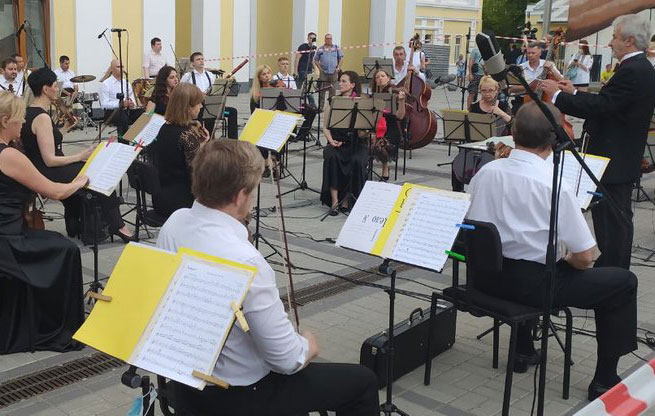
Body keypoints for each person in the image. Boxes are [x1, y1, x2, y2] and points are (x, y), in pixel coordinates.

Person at [157, 139, 379, 415]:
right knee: (363, 382)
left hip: (185, 384)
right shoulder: (246, 260)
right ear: (240, 196)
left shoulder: (175, 222)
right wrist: (307, 346)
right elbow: (286, 360)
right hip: (237, 394)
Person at [467, 101, 638, 401]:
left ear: (513, 132)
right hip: (532, 287)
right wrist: (568, 257)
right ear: (554, 139)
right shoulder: (554, 184)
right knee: (623, 282)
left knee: (534, 254)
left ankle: (523, 351)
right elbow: (586, 258)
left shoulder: (487, 172)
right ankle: (604, 378)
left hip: (486, 278)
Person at [542, 13, 655, 270]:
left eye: (614, 37)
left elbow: (605, 107)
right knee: (610, 221)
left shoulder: (635, 69)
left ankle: (614, 276)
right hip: (616, 159)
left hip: (615, 161)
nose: (611, 42)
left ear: (628, 41)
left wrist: (559, 95)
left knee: (614, 223)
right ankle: (611, 270)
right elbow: (612, 100)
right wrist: (574, 91)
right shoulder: (635, 67)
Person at [0, 91, 88, 353]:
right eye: (19, 119)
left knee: (53, 241)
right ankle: (56, 326)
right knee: (67, 250)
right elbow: (56, 192)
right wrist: (82, 181)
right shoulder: (8, 156)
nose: (24, 124)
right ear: (5, 120)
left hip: (8, 234)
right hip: (8, 243)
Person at [21, 68, 134, 242]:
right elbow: (50, 159)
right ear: (45, 89)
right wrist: (80, 155)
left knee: (84, 170)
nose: (58, 89)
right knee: (98, 175)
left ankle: (74, 225)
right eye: (55, 86)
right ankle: (118, 225)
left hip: (39, 167)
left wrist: (65, 128)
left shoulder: (30, 112)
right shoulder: (42, 117)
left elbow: (44, 142)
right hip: (47, 171)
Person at [149, 83, 209, 218]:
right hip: (182, 201)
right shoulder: (187, 135)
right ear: (188, 107)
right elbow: (197, 173)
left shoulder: (163, 128)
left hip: (161, 196)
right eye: (198, 103)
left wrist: (201, 145)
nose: (201, 106)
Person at [321, 71, 368, 214]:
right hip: (336, 141)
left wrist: (365, 130)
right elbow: (325, 127)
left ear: (353, 85)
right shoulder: (332, 100)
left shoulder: (362, 101)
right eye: (340, 81)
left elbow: (362, 133)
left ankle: (348, 200)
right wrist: (331, 141)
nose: (340, 84)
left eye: (344, 81)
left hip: (356, 143)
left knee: (357, 161)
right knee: (331, 156)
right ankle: (335, 200)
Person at [370, 68, 405, 181]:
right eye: (377, 77)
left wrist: (401, 101)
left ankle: (385, 168)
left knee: (381, 144)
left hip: (391, 128)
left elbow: (400, 116)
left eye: (383, 76)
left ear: (389, 78)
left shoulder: (393, 93)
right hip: (376, 126)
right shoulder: (373, 96)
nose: (380, 78)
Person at [99, 59, 143, 135]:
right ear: (112, 69)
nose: (121, 69)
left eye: (122, 67)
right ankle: (123, 143)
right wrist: (120, 104)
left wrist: (132, 103)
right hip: (112, 112)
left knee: (143, 113)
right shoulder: (106, 84)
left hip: (127, 110)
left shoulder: (126, 83)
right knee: (122, 117)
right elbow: (104, 104)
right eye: (118, 67)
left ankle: (136, 137)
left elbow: (132, 96)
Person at [250, 64, 278, 177]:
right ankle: (266, 163)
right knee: (259, 134)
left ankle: (276, 164)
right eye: (264, 74)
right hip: (263, 122)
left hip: (275, 121)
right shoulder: (256, 94)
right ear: (259, 77)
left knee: (280, 135)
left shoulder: (277, 89)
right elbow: (254, 113)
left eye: (268, 73)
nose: (267, 76)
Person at [314, 33, 343, 107]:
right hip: (324, 72)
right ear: (325, 39)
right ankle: (320, 107)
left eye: (330, 38)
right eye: (327, 38)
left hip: (334, 72)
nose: (329, 40)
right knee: (322, 90)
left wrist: (338, 67)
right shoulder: (320, 49)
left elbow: (341, 58)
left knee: (333, 90)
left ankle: (331, 106)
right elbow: (316, 60)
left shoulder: (336, 48)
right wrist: (320, 69)